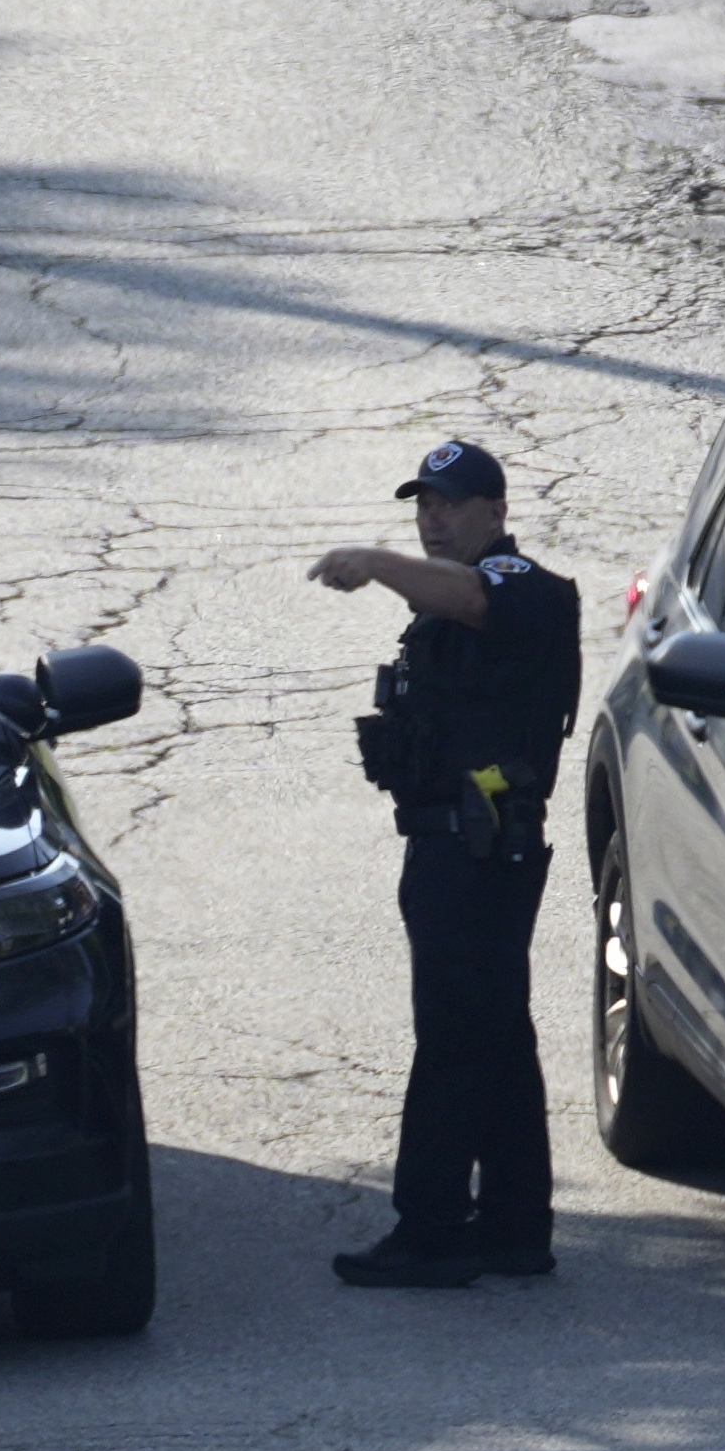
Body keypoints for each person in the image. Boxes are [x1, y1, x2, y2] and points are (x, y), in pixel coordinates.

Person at [309, 438, 582, 1289]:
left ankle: (431, 1228)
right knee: (495, 1032)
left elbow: (473, 596)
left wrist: (375, 561)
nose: (433, 520)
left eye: (452, 504)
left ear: (497, 513)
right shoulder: (447, 599)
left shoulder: (524, 590)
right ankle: (513, 1226)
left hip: (481, 852)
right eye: (423, 506)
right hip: (447, 845)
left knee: (455, 1037)